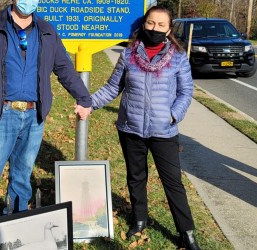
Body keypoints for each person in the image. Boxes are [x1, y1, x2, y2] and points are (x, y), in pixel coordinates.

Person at [0, 0, 91, 249]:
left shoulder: (47, 31)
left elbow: (63, 67)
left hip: (33, 116)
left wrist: (83, 97)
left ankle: (16, 224)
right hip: (0, 113)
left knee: (22, 175)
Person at [90, 6, 200, 250]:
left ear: (169, 29)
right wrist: (89, 104)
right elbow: (112, 87)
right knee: (136, 177)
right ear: (144, 25)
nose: (155, 29)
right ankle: (139, 218)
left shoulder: (178, 57)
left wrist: (174, 115)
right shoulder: (129, 55)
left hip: (164, 132)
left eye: (161, 25)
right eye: (151, 23)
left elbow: (186, 91)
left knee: (173, 182)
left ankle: (187, 233)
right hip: (131, 128)